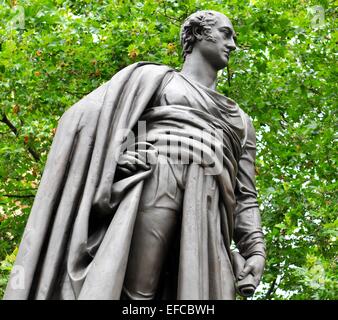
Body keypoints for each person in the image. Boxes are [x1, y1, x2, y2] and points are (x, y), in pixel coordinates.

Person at [4, 10, 265, 300]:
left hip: (209, 209)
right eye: (226, 34)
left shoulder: (241, 122)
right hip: (158, 184)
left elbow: (245, 195)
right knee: (137, 292)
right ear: (197, 34)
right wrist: (114, 159)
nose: (233, 45)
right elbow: (83, 121)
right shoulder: (154, 81)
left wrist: (254, 249)